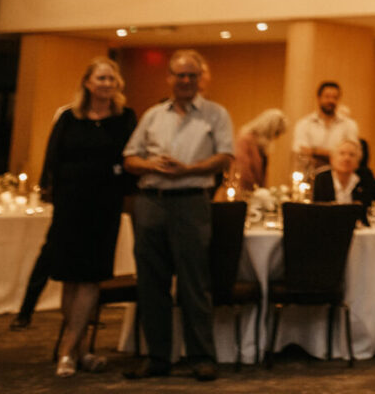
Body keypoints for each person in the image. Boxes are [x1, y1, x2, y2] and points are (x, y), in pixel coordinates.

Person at [121, 49, 234, 382]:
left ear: (200, 79)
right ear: (169, 77)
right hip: (151, 202)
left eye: (192, 75)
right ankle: (157, 357)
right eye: (180, 75)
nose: (186, 81)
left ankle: (201, 356)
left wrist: (189, 169)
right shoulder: (154, 115)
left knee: (193, 283)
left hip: (191, 201)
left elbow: (225, 156)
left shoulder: (215, 114)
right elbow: (129, 158)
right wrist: (150, 164)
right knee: (151, 283)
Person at [43, 57, 138, 377]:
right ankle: (79, 350)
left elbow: (130, 159)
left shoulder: (125, 118)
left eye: (112, 79)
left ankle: (67, 350)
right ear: (87, 82)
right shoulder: (69, 118)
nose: (107, 84)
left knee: (91, 277)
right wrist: (53, 194)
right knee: (69, 279)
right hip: (70, 205)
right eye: (101, 78)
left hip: (104, 205)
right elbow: (52, 159)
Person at [292, 81, 359, 178]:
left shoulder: (349, 125)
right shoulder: (304, 124)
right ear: (319, 98)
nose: (331, 101)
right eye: (327, 97)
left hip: (339, 178)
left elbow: (353, 154)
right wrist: (335, 154)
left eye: (335, 98)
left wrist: (314, 151)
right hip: (310, 176)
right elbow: (301, 151)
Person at [311, 137, 375, 214]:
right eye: (342, 153)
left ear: (358, 162)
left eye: (352, 155)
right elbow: (317, 211)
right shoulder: (322, 179)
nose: (347, 158)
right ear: (332, 159)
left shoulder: (364, 178)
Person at [228, 108, 287, 195]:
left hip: (255, 191)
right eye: (276, 133)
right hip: (244, 192)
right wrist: (254, 192)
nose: (276, 137)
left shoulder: (261, 145)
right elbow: (243, 171)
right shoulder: (245, 140)